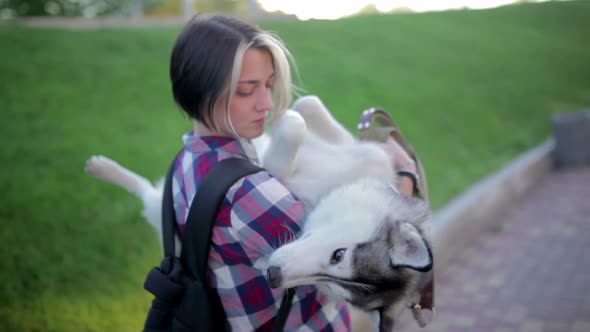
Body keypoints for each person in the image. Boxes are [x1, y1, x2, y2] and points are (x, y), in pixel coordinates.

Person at [168, 13, 420, 331]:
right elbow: (355, 270)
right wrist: (406, 176)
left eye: (269, 85)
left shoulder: (185, 160)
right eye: (247, 90)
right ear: (199, 91)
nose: (266, 103)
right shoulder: (252, 192)